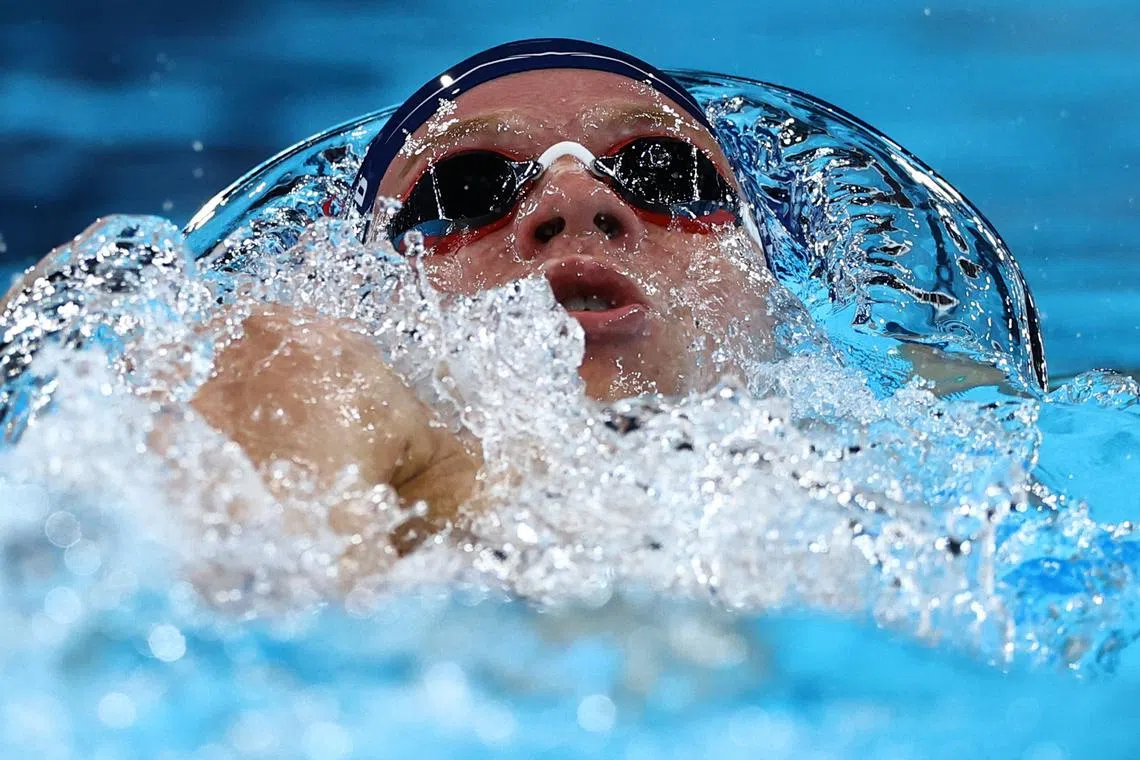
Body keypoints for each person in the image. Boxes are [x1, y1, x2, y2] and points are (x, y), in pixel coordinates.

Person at [8, 40, 780, 553]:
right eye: (465, 189)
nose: (574, 202)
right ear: (361, 290)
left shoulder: (891, 418)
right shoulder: (309, 375)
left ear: (782, 286)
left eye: (665, 175)